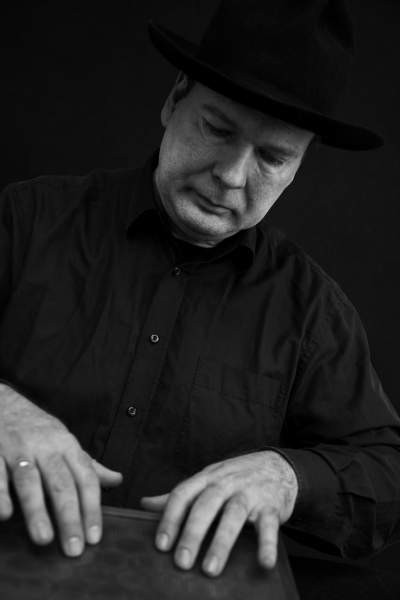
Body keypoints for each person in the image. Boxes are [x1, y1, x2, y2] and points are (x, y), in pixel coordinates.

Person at [1, 0, 399, 579]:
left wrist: (288, 477)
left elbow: (388, 474)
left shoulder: (312, 311)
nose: (231, 176)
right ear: (174, 100)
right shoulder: (27, 220)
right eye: (218, 129)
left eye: (273, 157)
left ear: (298, 167)